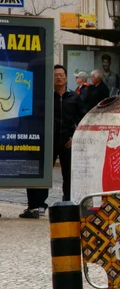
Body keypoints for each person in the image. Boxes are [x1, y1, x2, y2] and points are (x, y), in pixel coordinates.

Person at [20, 65, 86, 219]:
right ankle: (38, 205)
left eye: (61, 75)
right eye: (55, 75)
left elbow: (83, 118)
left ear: (66, 77)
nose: (59, 77)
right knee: (42, 173)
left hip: (68, 141)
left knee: (69, 174)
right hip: (48, 141)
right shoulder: (46, 97)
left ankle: (68, 203)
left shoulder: (74, 98)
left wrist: (75, 135)